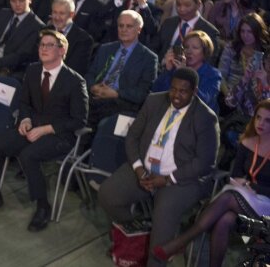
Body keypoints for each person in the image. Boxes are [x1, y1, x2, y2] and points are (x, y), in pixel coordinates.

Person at [97, 67, 219, 266]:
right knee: (107, 195)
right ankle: (139, 231)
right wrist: (138, 168)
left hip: (178, 180)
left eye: (183, 91)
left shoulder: (205, 117)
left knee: (160, 238)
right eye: (173, 89)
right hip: (144, 170)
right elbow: (133, 136)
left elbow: (205, 162)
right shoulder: (155, 101)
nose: (176, 96)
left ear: (194, 91)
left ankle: (156, 251)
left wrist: (168, 179)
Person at [0, 29, 89, 232]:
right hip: (31, 128)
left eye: (50, 45)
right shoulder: (32, 71)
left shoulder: (75, 81)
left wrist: (46, 129)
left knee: (28, 155)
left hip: (58, 135)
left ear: (62, 50)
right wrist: (25, 119)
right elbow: (24, 102)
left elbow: (79, 120)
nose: (44, 49)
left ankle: (42, 206)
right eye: (42, 45)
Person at [153, 99, 270, 266]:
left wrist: (253, 187)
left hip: (266, 206)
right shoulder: (248, 142)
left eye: (267, 120)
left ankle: (181, 242)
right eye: (258, 118)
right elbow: (236, 175)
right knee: (224, 221)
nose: (261, 123)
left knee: (228, 197)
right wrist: (243, 184)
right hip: (244, 199)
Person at [85, 10, 158, 129]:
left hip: (121, 106)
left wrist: (116, 93)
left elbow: (142, 93)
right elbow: (90, 75)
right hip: (94, 97)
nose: (124, 29)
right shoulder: (105, 49)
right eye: (121, 26)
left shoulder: (149, 58)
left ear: (139, 29)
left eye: (129, 26)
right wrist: (93, 87)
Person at [153, 30, 221, 113]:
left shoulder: (213, 74)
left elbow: (204, 100)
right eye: (186, 47)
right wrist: (168, 70)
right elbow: (156, 92)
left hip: (198, 117)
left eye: (195, 48)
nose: (189, 52)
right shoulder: (175, 68)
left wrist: (185, 75)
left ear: (205, 51)